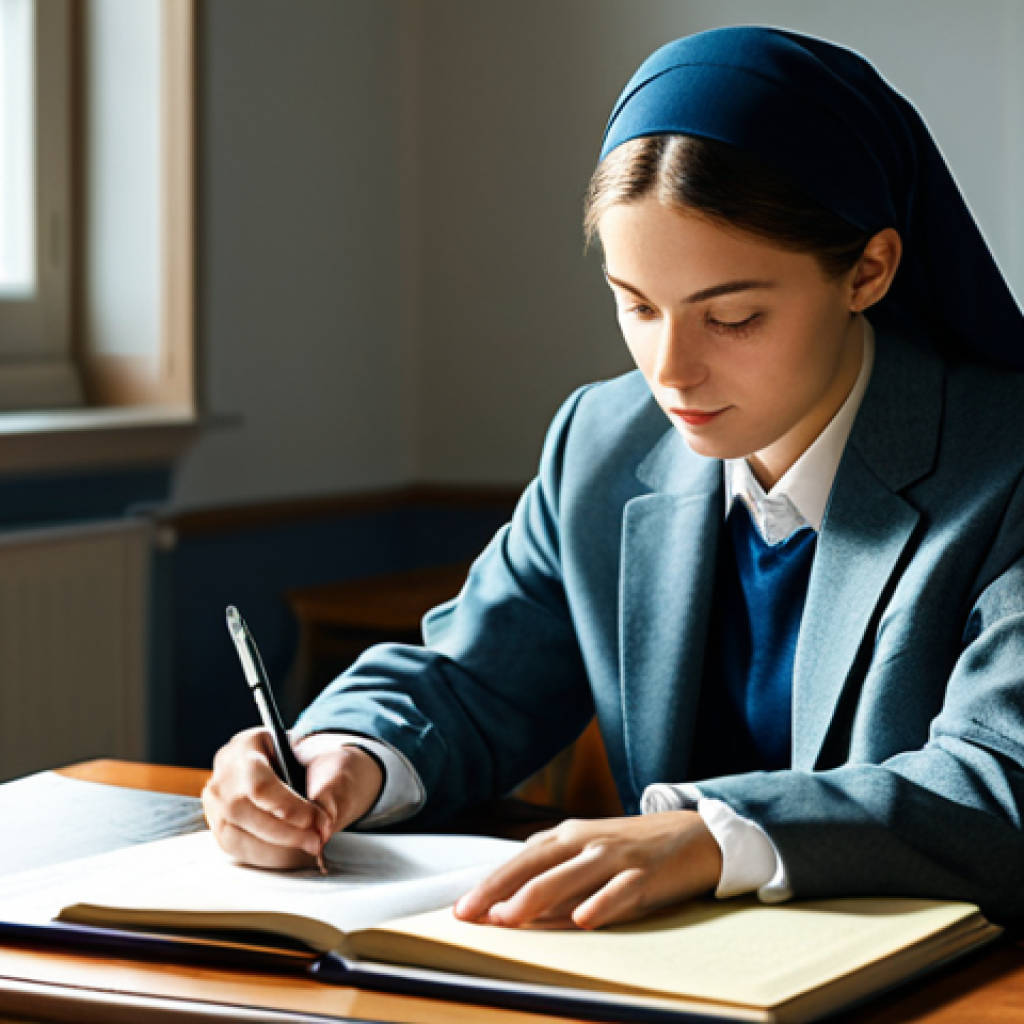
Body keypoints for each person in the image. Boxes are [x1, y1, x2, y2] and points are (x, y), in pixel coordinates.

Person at [202, 26, 1024, 929]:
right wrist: (342, 754)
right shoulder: (602, 437)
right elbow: (472, 676)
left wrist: (714, 836)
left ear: (868, 270)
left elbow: (1001, 778)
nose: (670, 371)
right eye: (636, 305)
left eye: (735, 317)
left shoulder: (1005, 465)